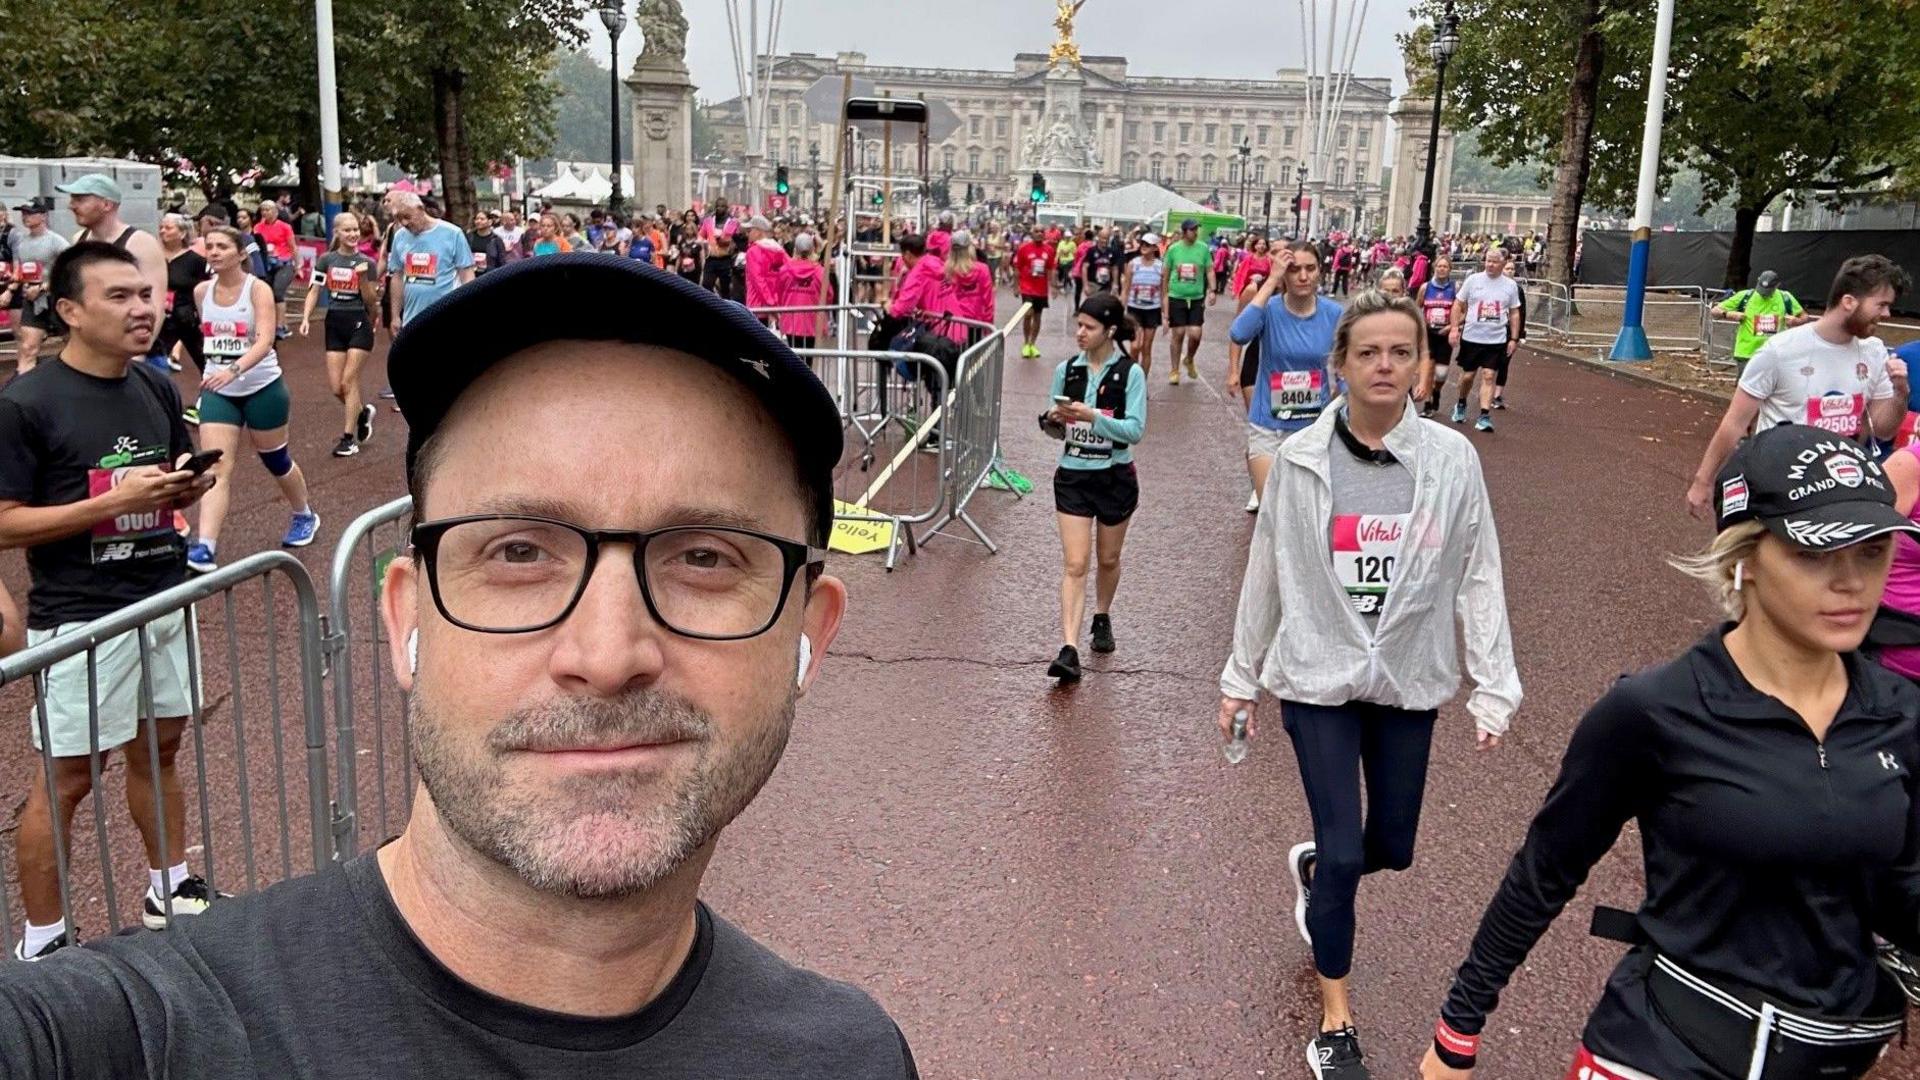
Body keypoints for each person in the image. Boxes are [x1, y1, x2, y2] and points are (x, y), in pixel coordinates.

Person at [0, 252, 920, 1078]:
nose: (606, 657)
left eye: (706, 557)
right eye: (518, 552)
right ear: (406, 621)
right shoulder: (134, 1038)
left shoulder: (854, 1057)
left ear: (809, 634)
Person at [1422, 423, 1919, 1080]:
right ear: (1744, 556)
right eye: (1814, 555)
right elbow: (1545, 870)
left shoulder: (1899, 712)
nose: (1852, 582)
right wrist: (1458, 1029)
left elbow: (1894, 884)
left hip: (1834, 1054)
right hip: (1666, 1048)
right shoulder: (1656, 710)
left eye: (1872, 551)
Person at [1219, 289, 1520, 1079]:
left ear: (1424, 362)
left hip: (1407, 678)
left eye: (1401, 351)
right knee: (1352, 855)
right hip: (1317, 674)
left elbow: (1477, 573)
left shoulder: (1454, 461)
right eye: (1368, 353)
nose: (1386, 366)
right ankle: (1336, 1023)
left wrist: (1493, 686)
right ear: (1339, 366)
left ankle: (1316, 869)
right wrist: (1240, 678)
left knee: (1392, 846)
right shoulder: (1300, 460)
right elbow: (1268, 571)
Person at [0, 242, 221, 962]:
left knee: (161, 747)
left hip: (162, 596)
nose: (143, 308)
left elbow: (172, 475)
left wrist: (185, 488)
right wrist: (113, 504)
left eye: (145, 294)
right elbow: (4, 521)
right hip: (81, 617)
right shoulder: (25, 404)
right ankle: (44, 940)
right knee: (67, 778)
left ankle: (171, 886)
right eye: (119, 297)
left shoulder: (155, 385)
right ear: (69, 311)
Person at [1687, 256, 1913, 518]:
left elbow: (1883, 431)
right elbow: (1735, 423)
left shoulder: (1873, 352)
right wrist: (1703, 481)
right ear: (1849, 302)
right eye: (1881, 305)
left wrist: (1900, 393)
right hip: (1779, 488)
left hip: (1841, 488)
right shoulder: (1780, 350)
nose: (1887, 314)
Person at [186, 227, 320, 571]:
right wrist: (219, 373)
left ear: (241, 253)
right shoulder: (202, 292)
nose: (213, 252)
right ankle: (205, 547)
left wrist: (234, 369)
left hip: (262, 387)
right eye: (210, 247)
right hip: (219, 393)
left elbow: (264, 341)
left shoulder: (257, 289)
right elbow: (212, 337)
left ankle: (304, 514)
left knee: (275, 460)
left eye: (222, 247)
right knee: (215, 466)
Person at [1042, 294, 1147, 684]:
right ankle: (1068, 649)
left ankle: (1102, 615)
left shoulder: (1130, 374)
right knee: (1074, 563)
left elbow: (1134, 429)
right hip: (1073, 476)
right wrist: (1053, 419)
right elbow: (1057, 431)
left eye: (1088, 327)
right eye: (1078, 325)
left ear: (1110, 331)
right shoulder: (1066, 370)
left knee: (1107, 559)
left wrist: (1092, 417)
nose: (1080, 333)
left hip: (1115, 476)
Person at [1230, 242, 1342, 514]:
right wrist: (1271, 281)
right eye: (1293, 270)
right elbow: (1238, 333)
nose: (1303, 276)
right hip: (1269, 426)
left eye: (1310, 269)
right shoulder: (1269, 309)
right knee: (1273, 511)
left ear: (1320, 272)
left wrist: (1337, 407)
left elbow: (1346, 368)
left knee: (1305, 513)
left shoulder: (1335, 314)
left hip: (1312, 429)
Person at [56, 174, 167, 371]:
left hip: (138, 360)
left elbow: (156, 303)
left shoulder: (140, 242)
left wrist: (136, 357)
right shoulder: (79, 240)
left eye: (80, 199)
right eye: (73, 199)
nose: (72, 205)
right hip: (95, 357)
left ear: (106, 204)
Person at [301, 213, 382, 457]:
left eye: (355, 229)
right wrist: (306, 317)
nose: (353, 234)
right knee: (337, 388)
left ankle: (348, 438)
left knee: (349, 381)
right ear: (337, 232)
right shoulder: (327, 260)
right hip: (334, 323)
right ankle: (362, 413)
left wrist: (361, 279)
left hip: (359, 322)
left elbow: (371, 301)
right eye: (347, 230)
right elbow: (315, 290)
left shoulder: (367, 262)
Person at [1444, 246, 1523, 433]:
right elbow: (1458, 304)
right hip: (1472, 337)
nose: (1490, 265)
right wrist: (1454, 329)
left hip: (1496, 339)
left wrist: (1514, 338)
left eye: (1495, 262)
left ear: (1503, 263)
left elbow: (1514, 313)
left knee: (1489, 376)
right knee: (1468, 376)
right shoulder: (1473, 281)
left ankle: (1484, 415)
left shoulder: (1510, 286)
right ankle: (1461, 403)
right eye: (1488, 260)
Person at [387, 191, 475, 334]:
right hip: (412, 318)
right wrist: (395, 316)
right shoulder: (400, 237)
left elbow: (467, 275)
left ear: (421, 209)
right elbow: (397, 277)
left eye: (407, 217)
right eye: (398, 219)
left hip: (446, 314)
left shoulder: (453, 233)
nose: (404, 223)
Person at [0, 199, 70, 376]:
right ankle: (21, 388)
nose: (25, 217)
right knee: (28, 347)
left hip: (56, 299)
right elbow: (22, 273)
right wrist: (10, 290)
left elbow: (70, 270)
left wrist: (43, 287)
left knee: (72, 344)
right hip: (31, 300)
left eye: (30, 213)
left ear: (43, 216)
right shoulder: (23, 242)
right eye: (23, 213)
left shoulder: (56, 241)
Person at [1715, 269, 1811, 369]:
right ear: (1758, 281)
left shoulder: (1785, 297)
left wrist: (1797, 321)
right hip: (1746, 353)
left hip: (1774, 354)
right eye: (1761, 289)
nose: (1763, 294)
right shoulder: (1745, 296)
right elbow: (1714, 311)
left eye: (1768, 291)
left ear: (1777, 285)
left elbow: (1805, 316)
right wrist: (1727, 314)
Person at [1163, 218, 1211, 384]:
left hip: (1196, 297)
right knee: (1178, 333)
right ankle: (1174, 370)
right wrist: (1164, 294)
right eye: (1192, 229)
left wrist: (1212, 290)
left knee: (1196, 334)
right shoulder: (1174, 249)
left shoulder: (1203, 248)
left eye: (1196, 229)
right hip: (1177, 296)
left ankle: (1189, 358)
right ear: (1184, 232)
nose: (1195, 232)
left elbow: (1210, 269)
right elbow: (1166, 273)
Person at [936, 230, 994, 347]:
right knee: (972, 359)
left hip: (953, 323)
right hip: (975, 322)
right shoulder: (982, 269)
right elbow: (988, 302)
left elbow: (941, 298)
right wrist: (988, 327)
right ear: (969, 248)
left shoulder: (945, 270)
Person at [774, 232, 830, 350]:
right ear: (812, 250)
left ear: (795, 249)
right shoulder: (820, 272)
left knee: (794, 358)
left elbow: (778, 294)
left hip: (791, 322)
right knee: (808, 361)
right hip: (813, 322)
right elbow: (829, 296)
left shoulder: (784, 270)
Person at [1121, 232, 1166, 379]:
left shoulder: (1161, 267)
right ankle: (1131, 378)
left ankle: (1141, 382)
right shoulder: (1133, 264)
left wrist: (1166, 317)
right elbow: (1126, 289)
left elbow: (1164, 293)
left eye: (1147, 245)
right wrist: (1121, 310)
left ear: (1154, 247)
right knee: (1135, 346)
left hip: (1152, 310)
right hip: (1135, 310)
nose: (1144, 247)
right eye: (1142, 244)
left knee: (1146, 348)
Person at [1415, 256, 1456, 419]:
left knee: (1441, 373)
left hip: (1444, 335)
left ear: (1450, 269)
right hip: (1429, 334)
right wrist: (1422, 321)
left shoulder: (1454, 288)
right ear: (1434, 268)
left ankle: (1437, 391)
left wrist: (1452, 326)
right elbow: (1417, 307)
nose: (1441, 269)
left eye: (1445, 266)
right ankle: (1428, 404)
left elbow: (1463, 311)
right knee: (1429, 370)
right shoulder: (1425, 287)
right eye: (1439, 266)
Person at [252, 201, 297, 338]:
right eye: (263, 210)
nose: (265, 213)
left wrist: (298, 265)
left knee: (278, 292)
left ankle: (280, 327)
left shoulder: (285, 227)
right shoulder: (258, 228)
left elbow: (293, 246)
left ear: (275, 212)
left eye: (268, 210)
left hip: (284, 263)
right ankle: (278, 323)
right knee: (266, 294)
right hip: (267, 264)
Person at [1015, 227, 1057, 358]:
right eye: (1036, 231)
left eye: (1041, 231)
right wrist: (1016, 286)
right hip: (1027, 287)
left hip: (1041, 289)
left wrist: (1053, 286)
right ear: (1032, 234)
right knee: (1028, 314)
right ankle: (1026, 342)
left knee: (1038, 316)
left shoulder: (1049, 250)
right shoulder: (1024, 248)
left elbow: (1051, 269)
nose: (1039, 233)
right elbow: (1017, 267)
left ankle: (1032, 344)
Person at [743, 215, 787, 319]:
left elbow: (758, 280)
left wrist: (770, 305)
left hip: (757, 306)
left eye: (750, 230)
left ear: (758, 231)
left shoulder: (753, 251)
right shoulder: (778, 249)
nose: (747, 233)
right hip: (778, 304)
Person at [699, 200, 741, 297]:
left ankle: (725, 309)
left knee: (725, 288)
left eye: (722, 206)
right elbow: (701, 236)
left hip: (725, 259)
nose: (719, 208)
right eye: (718, 206)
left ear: (726, 208)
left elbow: (738, 239)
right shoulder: (708, 221)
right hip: (711, 258)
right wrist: (704, 245)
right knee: (706, 285)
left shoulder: (733, 222)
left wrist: (729, 242)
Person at [466, 210, 507, 276]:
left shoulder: (496, 240)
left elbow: (502, 261)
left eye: (482, 219)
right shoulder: (469, 237)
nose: (478, 221)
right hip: (472, 275)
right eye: (477, 219)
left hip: (490, 275)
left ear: (489, 222)